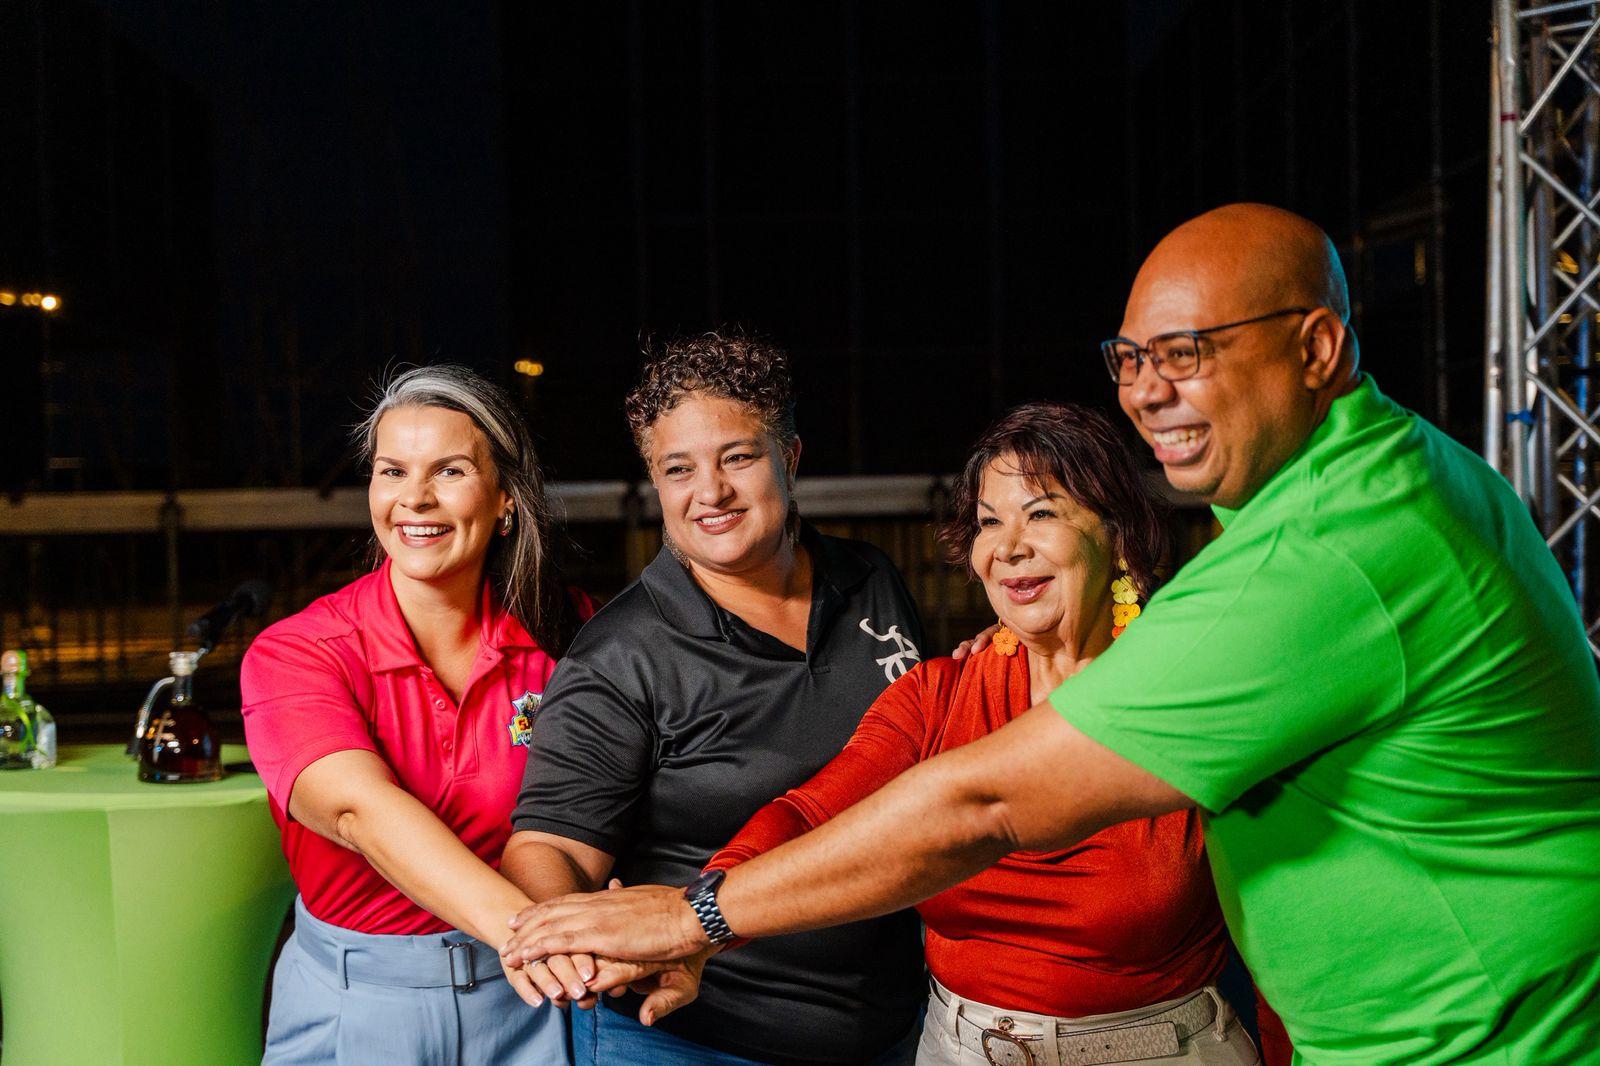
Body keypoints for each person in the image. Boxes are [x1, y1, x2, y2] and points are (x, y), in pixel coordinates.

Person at [502, 205, 1600, 1065]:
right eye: (1130, 358)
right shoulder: (1356, 492)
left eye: (1188, 351)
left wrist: (695, 915)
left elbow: (983, 804)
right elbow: (826, 800)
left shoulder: (1309, 558)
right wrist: (679, 919)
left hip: (1475, 1040)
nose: (1150, 390)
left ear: (1316, 346)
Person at [695, 401, 1265, 1064]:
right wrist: (697, 918)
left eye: (1042, 513)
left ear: (1118, 535)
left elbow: (1289, 917)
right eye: (990, 522)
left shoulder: (1190, 701)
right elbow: (807, 813)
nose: (1008, 546)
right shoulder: (939, 696)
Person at [499, 330, 927, 1065]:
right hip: (691, 1037)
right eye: (679, 469)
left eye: (738, 457)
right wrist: (573, 939)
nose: (711, 492)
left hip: (893, 1027)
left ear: (790, 457)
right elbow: (549, 845)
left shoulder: (870, 579)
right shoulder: (621, 655)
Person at [241, 364, 584, 1065]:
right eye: (392, 471)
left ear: (506, 499)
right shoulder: (297, 654)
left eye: (449, 471)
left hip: (532, 1009)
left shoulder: (568, 630)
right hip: (363, 1005)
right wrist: (538, 936)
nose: (414, 498)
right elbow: (359, 813)